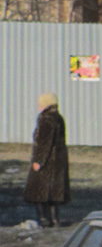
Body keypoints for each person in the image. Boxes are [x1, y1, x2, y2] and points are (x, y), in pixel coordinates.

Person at [24, 92, 69, 228]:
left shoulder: (45, 119)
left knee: (40, 191)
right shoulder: (58, 118)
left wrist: (38, 161)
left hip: (47, 162)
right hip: (58, 162)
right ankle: (55, 219)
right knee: (54, 193)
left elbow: (44, 142)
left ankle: (44, 219)